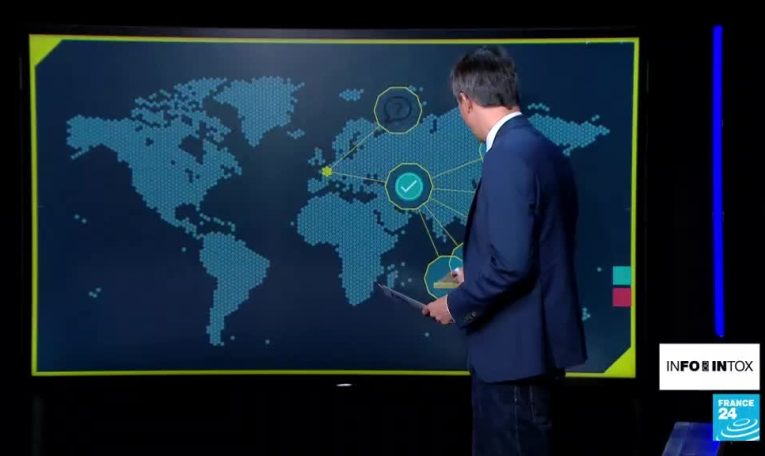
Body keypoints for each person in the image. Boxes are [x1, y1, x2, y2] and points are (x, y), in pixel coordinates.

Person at [422, 46, 587, 455]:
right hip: (536, 355)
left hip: (512, 362)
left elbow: (513, 266)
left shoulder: (506, 157)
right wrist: (477, 269)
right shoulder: (543, 150)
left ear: (466, 101)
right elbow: (539, 248)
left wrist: (455, 304)